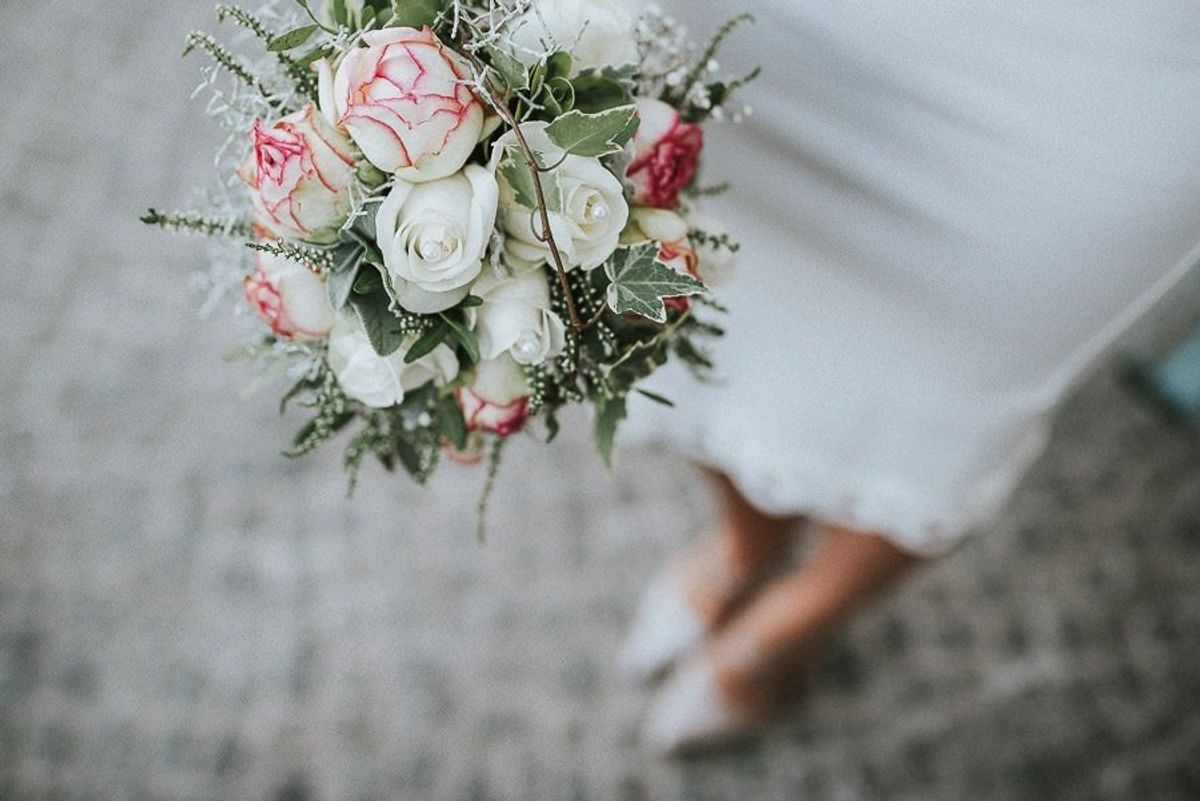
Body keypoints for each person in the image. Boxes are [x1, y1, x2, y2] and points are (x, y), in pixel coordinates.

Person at [618, 0, 1200, 754]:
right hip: (791, 26)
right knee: (719, 295)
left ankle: (802, 618)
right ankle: (745, 546)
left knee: (953, 398)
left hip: (1114, 68)